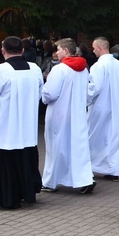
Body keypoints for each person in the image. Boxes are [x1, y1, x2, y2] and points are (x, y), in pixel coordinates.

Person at [0, 36, 44, 208]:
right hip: (26, 125)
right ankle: (27, 193)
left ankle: (7, 199)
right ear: (22, 50)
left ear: (3, 51)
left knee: (5, 161)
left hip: (5, 126)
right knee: (24, 158)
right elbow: (40, 93)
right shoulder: (35, 69)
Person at [41, 38, 95, 194]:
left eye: (58, 49)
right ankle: (84, 179)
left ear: (66, 50)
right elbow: (89, 91)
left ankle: (50, 181)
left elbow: (50, 93)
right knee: (77, 148)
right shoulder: (83, 69)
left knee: (55, 148)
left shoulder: (60, 69)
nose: (56, 52)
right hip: (77, 114)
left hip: (59, 114)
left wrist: (44, 92)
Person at [86, 37, 119, 182]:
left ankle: (92, 166)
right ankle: (114, 169)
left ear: (100, 47)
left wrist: (84, 99)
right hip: (116, 105)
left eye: (94, 47)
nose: (93, 50)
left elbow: (94, 88)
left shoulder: (98, 66)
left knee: (96, 138)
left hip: (100, 107)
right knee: (114, 137)